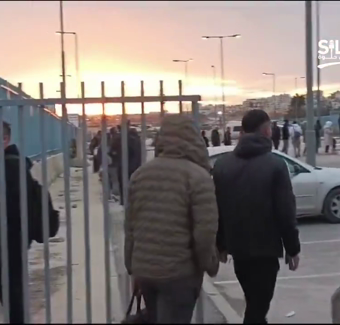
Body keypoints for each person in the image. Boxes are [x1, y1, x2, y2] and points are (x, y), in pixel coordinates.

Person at [125, 114, 220, 323]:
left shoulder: (140, 174)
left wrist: (132, 267)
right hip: (179, 274)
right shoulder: (198, 177)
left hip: (145, 272)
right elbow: (204, 232)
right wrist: (210, 263)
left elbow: (130, 227)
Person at [213, 109, 301, 324]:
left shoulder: (223, 165)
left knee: (254, 302)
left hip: (238, 250)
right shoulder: (275, 165)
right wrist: (292, 248)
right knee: (257, 308)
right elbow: (285, 210)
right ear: (266, 130)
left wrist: (221, 244)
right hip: (266, 250)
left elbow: (218, 209)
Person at [0, 121, 31, 323]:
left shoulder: (9, 165)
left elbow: (16, 205)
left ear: (4, 139)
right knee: (10, 291)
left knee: (12, 292)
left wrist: (8, 237)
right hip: (3, 241)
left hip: (8, 241)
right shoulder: (3, 163)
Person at [110, 122, 142, 206]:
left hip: (123, 166)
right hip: (136, 167)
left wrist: (115, 156)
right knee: (134, 186)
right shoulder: (136, 138)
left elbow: (111, 151)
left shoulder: (119, 138)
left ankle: (124, 202)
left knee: (123, 185)